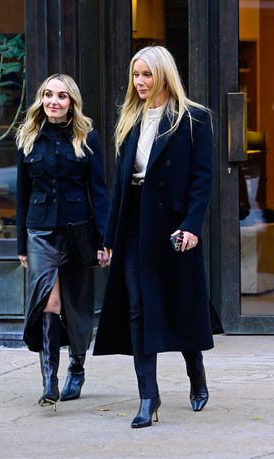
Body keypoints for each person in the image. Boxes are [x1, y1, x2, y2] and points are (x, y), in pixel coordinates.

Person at [93, 46, 214, 428]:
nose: (140, 82)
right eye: (135, 75)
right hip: (133, 224)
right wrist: (108, 237)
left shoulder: (194, 119)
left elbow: (203, 179)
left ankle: (196, 371)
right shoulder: (130, 118)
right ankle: (149, 396)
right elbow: (120, 185)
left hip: (173, 227)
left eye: (146, 74)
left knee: (178, 305)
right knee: (137, 310)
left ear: (163, 74)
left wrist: (192, 225)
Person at [16, 73, 109, 409]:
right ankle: (49, 381)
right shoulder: (28, 136)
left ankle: (77, 366)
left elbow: (98, 190)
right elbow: (22, 194)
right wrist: (20, 245)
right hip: (40, 231)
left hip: (77, 230)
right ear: (41, 99)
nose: (53, 101)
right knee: (49, 303)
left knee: (78, 306)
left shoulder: (87, 137)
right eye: (48, 95)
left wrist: (104, 239)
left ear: (72, 102)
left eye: (61, 96)